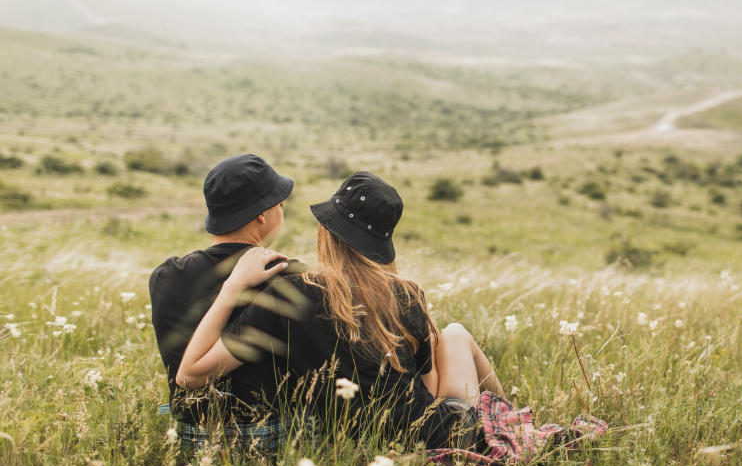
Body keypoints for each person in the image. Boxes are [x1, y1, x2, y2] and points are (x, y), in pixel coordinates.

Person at [175, 171, 505, 450]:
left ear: (326, 232)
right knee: (454, 334)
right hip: (435, 436)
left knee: (447, 338)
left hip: (351, 445)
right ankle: (506, 422)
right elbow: (428, 391)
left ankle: (504, 422)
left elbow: (190, 376)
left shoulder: (289, 293)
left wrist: (233, 287)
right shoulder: (407, 293)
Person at [149, 154, 306, 452]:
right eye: (280, 206)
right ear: (263, 215)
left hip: (188, 432)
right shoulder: (288, 276)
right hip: (267, 433)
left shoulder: (166, 275)